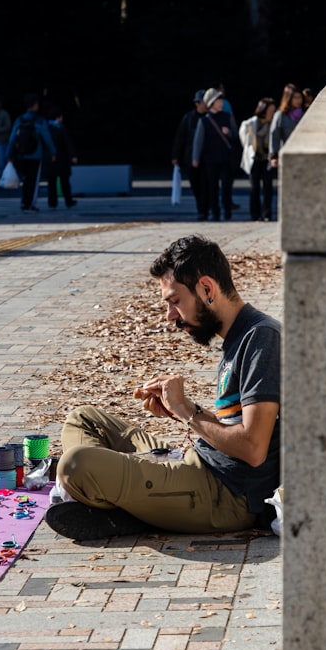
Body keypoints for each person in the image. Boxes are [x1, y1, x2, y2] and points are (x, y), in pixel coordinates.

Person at [45, 234, 282, 540]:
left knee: (75, 464)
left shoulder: (261, 338)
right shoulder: (239, 336)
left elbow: (252, 449)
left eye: (175, 301)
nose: (170, 316)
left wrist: (186, 412)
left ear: (207, 289)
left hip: (226, 497)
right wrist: (183, 411)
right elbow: (234, 428)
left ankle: (119, 505)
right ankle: (121, 502)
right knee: (83, 418)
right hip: (199, 464)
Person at [191, 88, 236, 221]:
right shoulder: (205, 120)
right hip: (210, 158)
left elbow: (235, 135)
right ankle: (215, 212)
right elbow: (198, 141)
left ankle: (227, 209)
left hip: (226, 157)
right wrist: (195, 158)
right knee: (212, 186)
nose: (221, 102)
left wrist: (228, 133)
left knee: (227, 185)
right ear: (211, 103)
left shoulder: (227, 116)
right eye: (218, 100)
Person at [5, 93, 55, 213]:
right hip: (35, 154)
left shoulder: (20, 119)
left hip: (21, 154)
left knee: (25, 179)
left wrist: (9, 154)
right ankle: (30, 204)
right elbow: (47, 137)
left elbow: (12, 138)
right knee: (33, 180)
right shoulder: (39, 120)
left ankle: (24, 202)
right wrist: (53, 152)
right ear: (35, 105)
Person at [170, 89, 208, 219]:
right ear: (197, 103)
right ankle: (201, 207)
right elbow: (180, 137)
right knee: (195, 184)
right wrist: (176, 156)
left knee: (206, 184)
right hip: (190, 157)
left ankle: (204, 210)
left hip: (207, 157)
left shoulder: (210, 117)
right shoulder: (189, 118)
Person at [239, 97, 276, 221]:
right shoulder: (249, 124)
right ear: (263, 110)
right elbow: (245, 142)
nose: (272, 114)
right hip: (254, 159)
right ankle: (255, 214)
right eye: (270, 111)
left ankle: (267, 213)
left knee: (268, 188)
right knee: (254, 188)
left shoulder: (273, 125)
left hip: (267, 159)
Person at [42, 105, 77, 209]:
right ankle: (68, 201)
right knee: (65, 181)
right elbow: (67, 143)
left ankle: (52, 203)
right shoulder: (61, 128)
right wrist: (73, 155)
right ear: (58, 117)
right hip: (62, 158)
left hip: (50, 158)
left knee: (51, 182)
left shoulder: (46, 128)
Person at [269, 82, 304, 170]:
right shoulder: (280, 115)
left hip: (302, 152)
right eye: (295, 98)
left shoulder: (304, 113)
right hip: (287, 153)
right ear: (288, 98)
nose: (298, 100)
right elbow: (274, 135)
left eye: (300, 97)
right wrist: (273, 155)